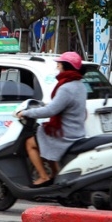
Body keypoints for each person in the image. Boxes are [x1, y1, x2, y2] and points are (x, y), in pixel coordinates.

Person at [16, 51, 86, 188]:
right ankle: (55, 175)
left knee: (30, 143)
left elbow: (51, 111)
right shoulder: (80, 85)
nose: (57, 68)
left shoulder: (66, 88)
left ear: (65, 66)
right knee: (43, 136)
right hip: (76, 131)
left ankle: (43, 176)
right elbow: (61, 106)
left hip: (65, 134)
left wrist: (26, 113)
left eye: (59, 65)